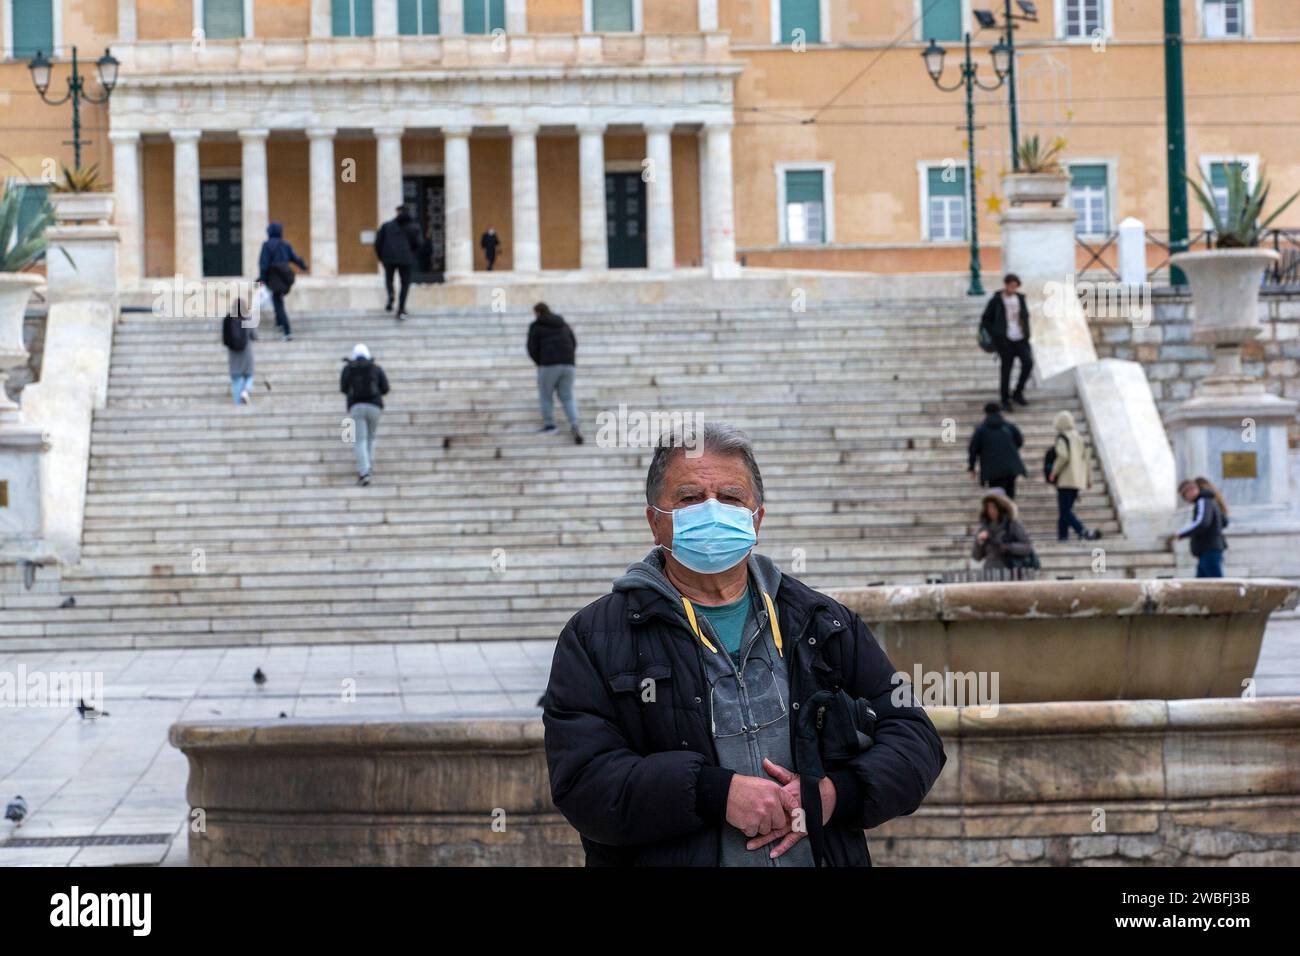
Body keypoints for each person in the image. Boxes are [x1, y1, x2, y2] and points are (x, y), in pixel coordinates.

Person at [542, 423, 945, 866]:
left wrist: (834, 794)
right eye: (690, 498)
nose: (712, 510)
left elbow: (914, 735)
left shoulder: (823, 623)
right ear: (655, 522)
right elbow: (583, 783)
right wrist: (715, 793)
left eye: (732, 498)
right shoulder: (594, 637)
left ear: (757, 519)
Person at [527, 302, 583, 444]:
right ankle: (574, 423)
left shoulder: (536, 326)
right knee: (567, 396)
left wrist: (540, 362)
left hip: (549, 365)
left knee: (546, 395)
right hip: (569, 365)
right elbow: (573, 342)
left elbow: (531, 347)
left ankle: (550, 425)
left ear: (537, 312)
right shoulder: (563, 324)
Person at [980, 273, 1034, 411]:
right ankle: (1005, 399)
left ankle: (1018, 392)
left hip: (1020, 339)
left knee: (1028, 363)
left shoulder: (1020, 299)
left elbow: (1025, 316)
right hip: (1005, 341)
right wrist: (997, 334)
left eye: (1015, 287)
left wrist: (1026, 332)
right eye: (1011, 286)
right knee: (1006, 370)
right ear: (1006, 285)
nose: (1013, 289)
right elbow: (985, 320)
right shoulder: (996, 300)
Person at [1047, 410, 1102, 542]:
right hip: (1078, 479)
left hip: (1066, 479)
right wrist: (1089, 479)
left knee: (1065, 511)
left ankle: (1082, 531)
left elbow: (1063, 456)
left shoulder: (1062, 438)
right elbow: (1086, 460)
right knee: (1065, 510)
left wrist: (1053, 472)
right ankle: (1062, 537)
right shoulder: (1079, 437)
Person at [340, 344, 390, 487]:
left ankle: (364, 472)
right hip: (375, 407)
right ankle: (368, 466)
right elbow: (385, 388)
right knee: (371, 437)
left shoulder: (349, 368)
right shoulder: (376, 368)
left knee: (359, 440)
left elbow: (343, 388)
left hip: (356, 406)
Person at [258, 222, 307, 341]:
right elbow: (295, 258)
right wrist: (303, 266)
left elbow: (263, 264)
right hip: (284, 278)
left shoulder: (267, 245)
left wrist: (262, 279)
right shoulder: (285, 245)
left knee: (278, 303)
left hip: (273, 279)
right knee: (277, 300)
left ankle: (287, 331)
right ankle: (279, 322)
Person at [967, 401, 1027, 499]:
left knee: (996, 499)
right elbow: (1019, 441)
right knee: (1009, 497)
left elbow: (973, 449)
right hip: (1010, 468)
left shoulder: (981, 430)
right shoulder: (1009, 426)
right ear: (999, 412)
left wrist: (972, 467)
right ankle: (1009, 512)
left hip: (992, 470)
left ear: (986, 413)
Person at [971, 489, 1037, 574]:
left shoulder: (1013, 524)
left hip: (1011, 573)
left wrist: (1008, 547)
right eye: (988, 507)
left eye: (994, 507)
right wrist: (979, 541)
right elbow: (976, 557)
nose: (991, 511)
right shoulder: (984, 528)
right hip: (990, 574)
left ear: (1001, 507)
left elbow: (1027, 547)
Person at [1174, 477, 1229, 577]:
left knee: (1217, 585)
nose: (1185, 499)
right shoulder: (1209, 501)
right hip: (1207, 551)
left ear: (1191, 490)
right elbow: (1223, 521)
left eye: (1184, 495)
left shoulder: (1203, 501)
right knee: (1201, 585)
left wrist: (1182, 533)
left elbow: (1202, 523)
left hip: (1209, 550)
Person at [374, 205, 421, 321]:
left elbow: (378, 243)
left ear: (398, 212)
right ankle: (401, 308)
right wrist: (411, 253)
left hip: (389, 257)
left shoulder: (387, 226)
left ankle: (391, 295)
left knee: (389, 279)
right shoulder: (414, 227)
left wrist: (381, 257)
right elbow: (419, 243)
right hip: (406, 258)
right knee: (405, 284)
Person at [221, 298, 256, 406]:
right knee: (249, 376)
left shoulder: (228, 319)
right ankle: (246, 391)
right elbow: (254, 335)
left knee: (236, 380)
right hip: (246, 352)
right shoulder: (248, 318)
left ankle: (238, 405)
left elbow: (225, 337)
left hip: (233, 354)